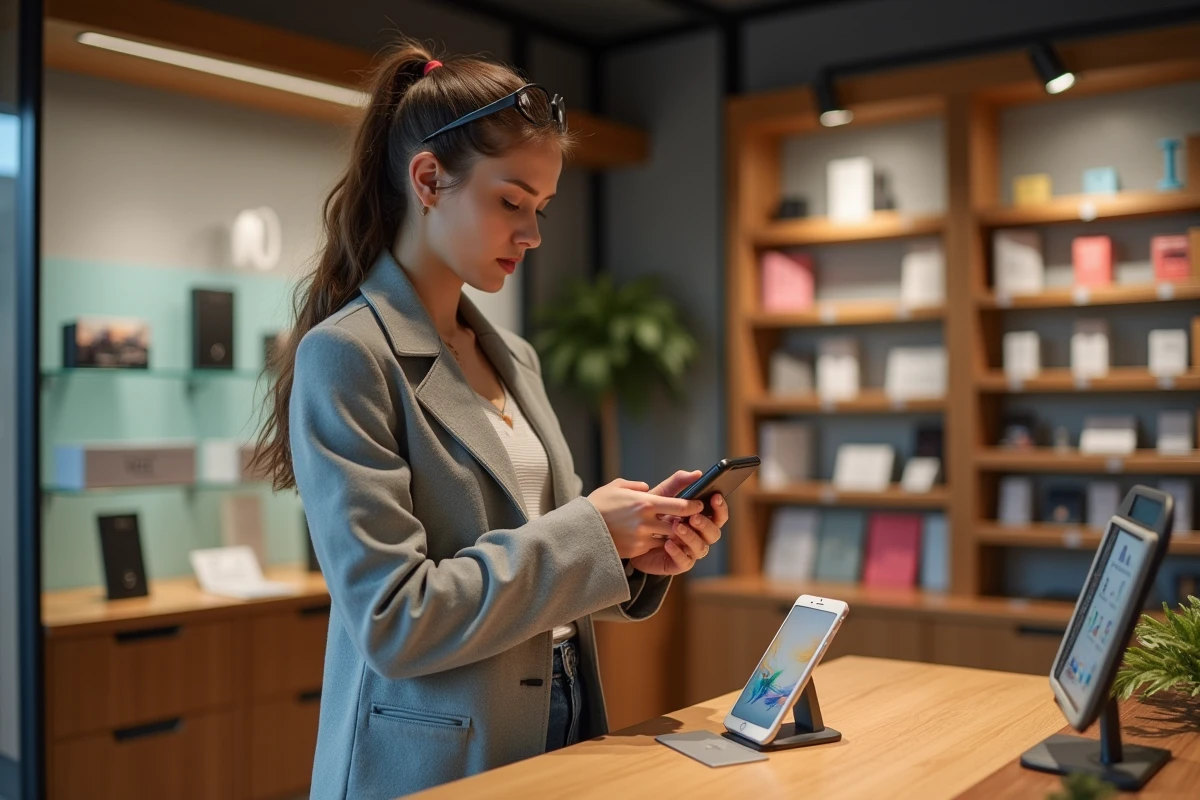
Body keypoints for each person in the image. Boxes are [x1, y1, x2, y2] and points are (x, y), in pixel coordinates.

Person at [253, 38, 728, 799]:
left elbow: (554, 556)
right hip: (434, 754)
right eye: (512, 201)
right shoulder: (346, 357)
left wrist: (636, 556)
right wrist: (592, 533)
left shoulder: (513, 356)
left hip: (563, 714)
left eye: (541, 208)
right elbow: (394, 620)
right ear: (429, 179)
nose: (533, 234)